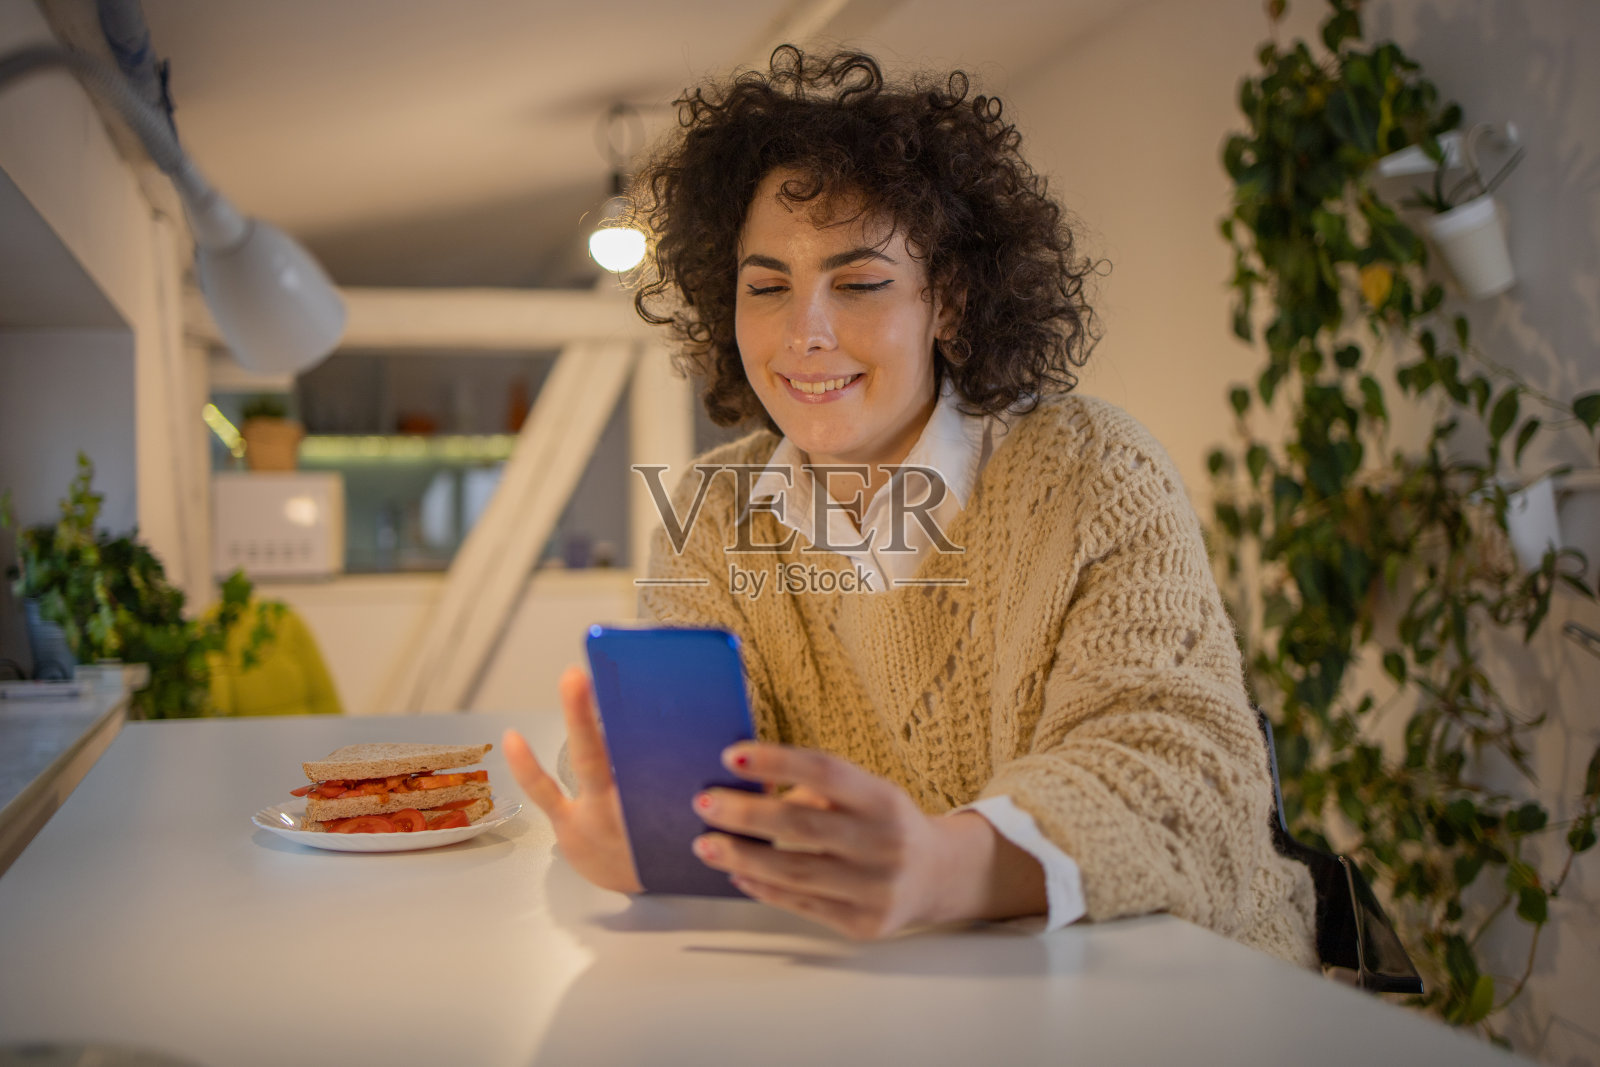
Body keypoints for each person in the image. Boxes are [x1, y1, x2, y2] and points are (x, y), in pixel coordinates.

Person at [503, 47, 1318, 966]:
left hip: (1183, 996)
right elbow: (705, 768)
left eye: (858, 283)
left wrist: (943, 866)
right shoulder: (713, 511)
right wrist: (651, 828)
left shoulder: (1093, 471)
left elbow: (1183, 769)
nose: (805, 331)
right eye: (766, 286)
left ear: (952, 301)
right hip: (882, 1006)